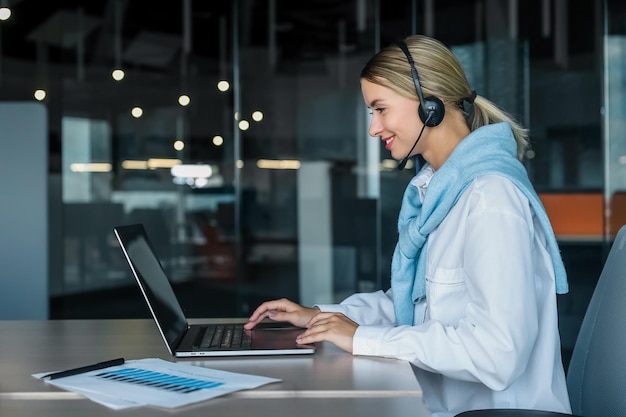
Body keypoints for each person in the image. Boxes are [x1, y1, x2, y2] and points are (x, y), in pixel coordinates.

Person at [245, 35, 572, 417]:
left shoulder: (490, 199)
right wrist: (318, 316)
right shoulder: (441, 191)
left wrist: (363, 338)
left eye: (380, 109)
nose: (373, 128)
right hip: (435, 403)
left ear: (430, 104)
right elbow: (416, 306)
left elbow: (498, 353)